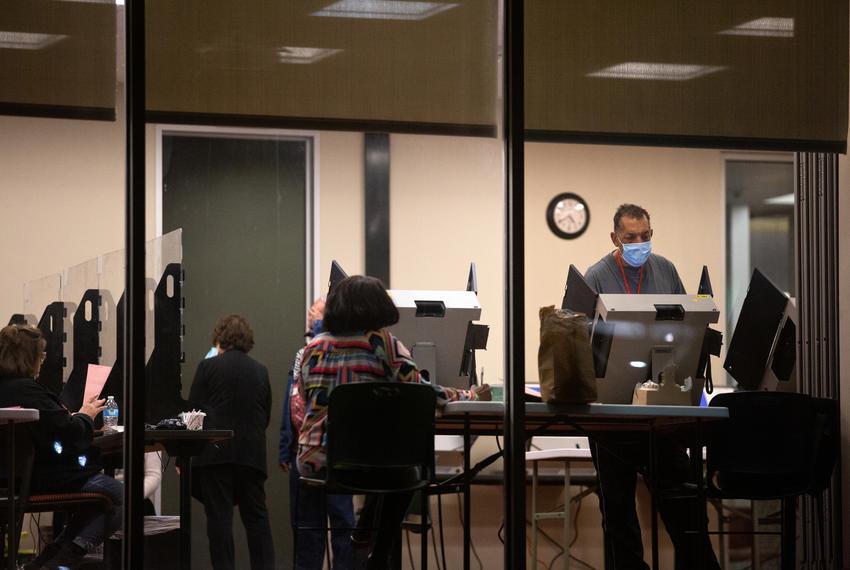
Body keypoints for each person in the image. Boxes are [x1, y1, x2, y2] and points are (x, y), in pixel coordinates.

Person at [296, 275, 491, 570]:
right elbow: (425, 392)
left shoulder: (311, 350)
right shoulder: (382, 344)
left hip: (317, 461)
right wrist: (470, 394)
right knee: (406, 465)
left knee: (386, 461)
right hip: (368, 463)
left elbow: (307, 401)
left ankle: (364, 533)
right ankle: (380, 549)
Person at [585, 204, 719, 570]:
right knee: (618, 513)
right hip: (611, 417)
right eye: (631, 238)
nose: (639, 243)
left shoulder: (666, 270)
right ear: (615, 238)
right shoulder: (596, 277)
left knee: (686, 502)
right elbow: (584, 346)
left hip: (659, 411)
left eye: (646, 235)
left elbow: (687, 330)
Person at [0, 324, 123, 570]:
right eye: (41, 355)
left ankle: (48, 560)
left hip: (9, 479)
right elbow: (69, 436)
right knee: (119, 496)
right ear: (29, 357)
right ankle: (62, 559)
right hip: (42, 478)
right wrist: (86, 416)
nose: (42, 361)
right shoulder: (28, 391)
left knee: (95, 502)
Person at [189, 314, 275, 570]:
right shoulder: (261, 371)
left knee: (220, 522)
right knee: (257, 521)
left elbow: (194, 413)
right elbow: (265, 415)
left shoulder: (208, 367)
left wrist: (189, 453)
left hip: (215, 454)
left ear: (219, 338)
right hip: (251, 455)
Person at [280, 298, 355, 570]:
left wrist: (322, 325)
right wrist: (285, 445)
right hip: (305, 449)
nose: (311, 310)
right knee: (307, 528)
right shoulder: (304, 352)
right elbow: (291, 403)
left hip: (326, 451)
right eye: (311, 307)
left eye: (319, 308)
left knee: (341, 524)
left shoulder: (323, 348)